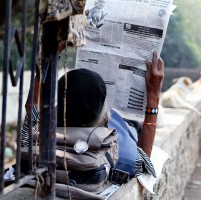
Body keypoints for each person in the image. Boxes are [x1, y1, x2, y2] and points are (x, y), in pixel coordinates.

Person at [21, 51, 164, 179]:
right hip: (126, 129)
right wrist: (153, 97)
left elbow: (32, 106)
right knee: (132, 125)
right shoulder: (118, 156)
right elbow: (145, 161)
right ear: (105, 120)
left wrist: (51, 56)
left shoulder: (35, 141)